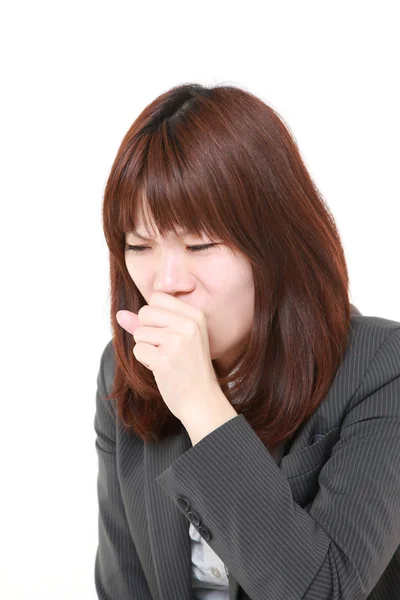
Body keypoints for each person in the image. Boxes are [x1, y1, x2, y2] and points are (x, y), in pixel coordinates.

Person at [94, 82, 400, 600]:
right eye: (140, 245)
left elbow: (327, 591)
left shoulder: (380, 368)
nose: (167, 281)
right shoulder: (125, 370)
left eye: (200, 243)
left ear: (277, 245)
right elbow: (126, 585)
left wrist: (201, 404)